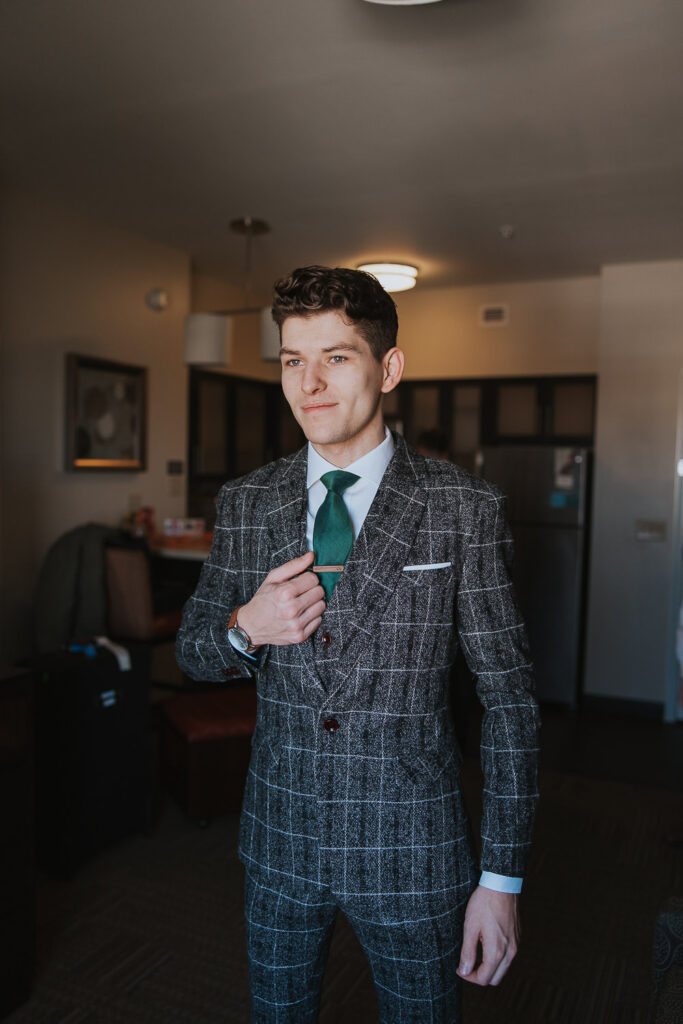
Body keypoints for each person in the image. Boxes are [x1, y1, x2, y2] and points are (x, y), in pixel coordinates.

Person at [176, 266, 540, 1023]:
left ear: (388, 368)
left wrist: (499, 881)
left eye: (336, 357)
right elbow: (191, 650)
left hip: (412, 850)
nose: (309, 383)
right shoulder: (247, 502)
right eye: (291, 361)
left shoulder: (462, 508)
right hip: (278, 841)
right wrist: (247, 628)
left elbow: (507, 702)